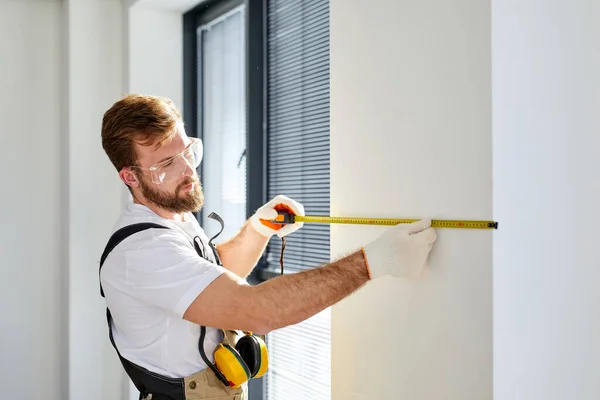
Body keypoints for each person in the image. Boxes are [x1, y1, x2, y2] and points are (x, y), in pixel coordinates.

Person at [99, 94, 438, 400]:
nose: (188, 170)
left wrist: (258, 229)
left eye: (188, 152)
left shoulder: (174, 216)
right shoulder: (142, 251)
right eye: (166, 164)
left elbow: (213, 277)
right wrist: (371, 263)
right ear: (130, 177)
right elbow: (256, 311)